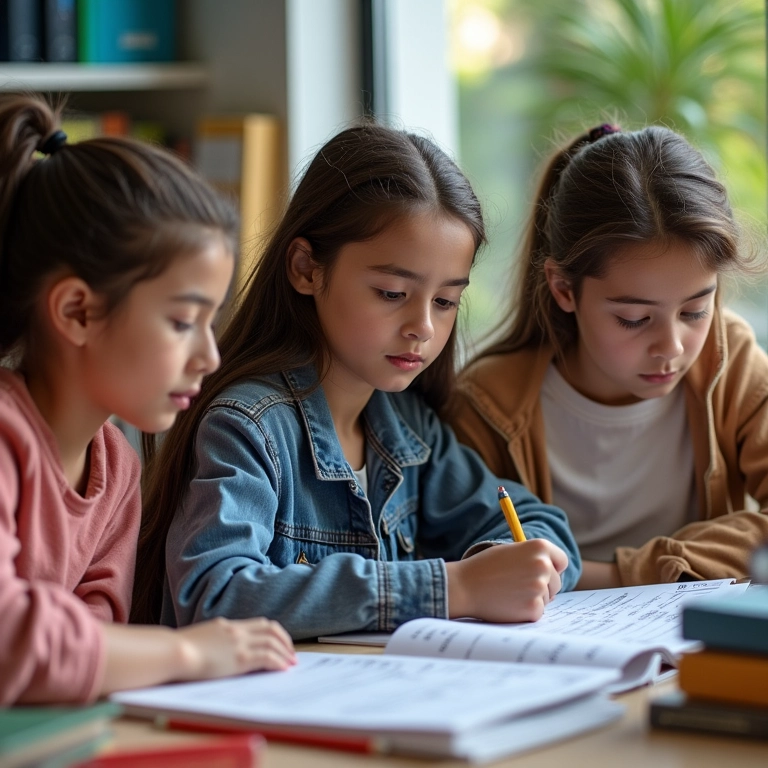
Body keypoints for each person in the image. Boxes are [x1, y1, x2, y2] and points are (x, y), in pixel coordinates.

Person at [132, 123, 582, 639]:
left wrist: (509, 565)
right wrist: (454, 587)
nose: (424, 327)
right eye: (392, 293)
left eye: (445, 301)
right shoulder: (247, 428)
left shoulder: (409, 429)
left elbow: (542, 526)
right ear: (306, 268)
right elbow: (214, 594)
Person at [0, 94, 295, 706]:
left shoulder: (116, 469)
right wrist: (189, 652)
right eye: (183, 322)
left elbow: (91, 652)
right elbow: (13, 642)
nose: (209, 357)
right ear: (78, 311)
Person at [447, 123, 768, 589]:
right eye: (635, 319)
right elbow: (463, 553)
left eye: (697, 310)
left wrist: (621, 573)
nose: (673, 347)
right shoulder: (487, 404)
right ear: (564, 289)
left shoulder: (730, 360)